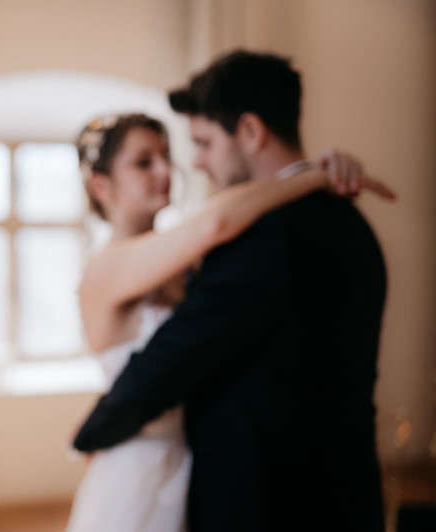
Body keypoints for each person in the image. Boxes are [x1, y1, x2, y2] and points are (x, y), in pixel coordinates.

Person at [72, 50, 395, 532]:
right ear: (101, 186)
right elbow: (218, 223)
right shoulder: (347, 220)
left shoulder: (239, 246)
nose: (179, 168)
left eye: (195, 145)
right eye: (143, 162)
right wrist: (315, 173)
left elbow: (217, 232)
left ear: (250, 131)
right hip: (146, 469)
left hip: (259, 490)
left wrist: (314, 173)